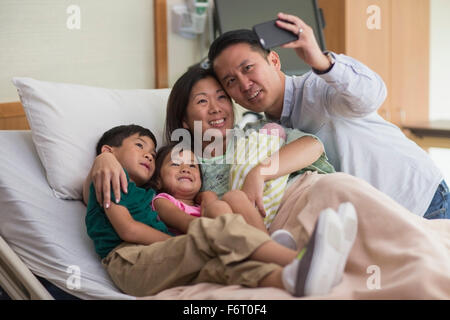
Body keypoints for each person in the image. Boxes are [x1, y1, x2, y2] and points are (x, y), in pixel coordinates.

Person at [207, 12, 449, 219]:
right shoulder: (266, 134)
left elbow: (372, 95)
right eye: (231, 80)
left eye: (248, 68)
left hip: (422, 202)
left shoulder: (317, 87)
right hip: (380, 220)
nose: (245, 84)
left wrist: (322, 62)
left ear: (274, 60)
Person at [84, 124, 356, 297]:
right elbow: (127, 228)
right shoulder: (109, 179)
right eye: (140, 146)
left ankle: (294, 280)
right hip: (129, 260)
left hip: (153, 259)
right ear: (109, 151)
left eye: (153, 153)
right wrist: (104, 158)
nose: (148, 155)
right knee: (213, 232)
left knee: (225, 266)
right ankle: (298, 259)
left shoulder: (145, 193)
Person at [149, 143, 269, 234]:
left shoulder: (203, 203)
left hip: (227, 231)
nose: (186, 169)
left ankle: (267, 241)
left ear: (201, 181)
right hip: (204, 236)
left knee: (234, 196)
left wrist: (207, 197)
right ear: (158, 181)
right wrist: (211, 205)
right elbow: (185, 222)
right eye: (175, 164)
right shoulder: (162, 201)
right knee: (218, 206)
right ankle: (246, 242)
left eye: (192, 165)